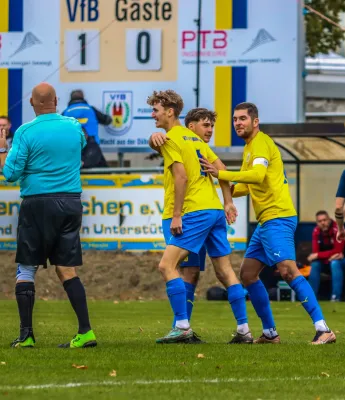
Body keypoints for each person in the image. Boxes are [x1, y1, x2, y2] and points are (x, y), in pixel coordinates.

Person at [200, 102, 336, 345]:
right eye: (235, 119)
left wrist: (221, 174)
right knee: (248, 274)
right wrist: (227, 191)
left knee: (288, 270)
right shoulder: (250, 148)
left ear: (255, 121)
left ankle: (323, 328)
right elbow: (247, 184)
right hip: (266, 222)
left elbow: (257, 175)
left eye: (243, 118)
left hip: (278, 217)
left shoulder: (261, 143)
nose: (238, 123)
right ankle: (270, 333)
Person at [147, 91, 252, 344]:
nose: (153, 115)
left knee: (166, 266)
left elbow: (181, 178)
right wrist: (227, 202)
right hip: (214, 210)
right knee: (223, 270)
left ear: (170, 112)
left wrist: (176, 215)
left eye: (156, 110)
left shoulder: (173, 138)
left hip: (193, 211)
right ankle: (244, 330)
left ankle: (182, 326)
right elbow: (224, 171)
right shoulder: (195, 140)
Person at [3, 82, 97, 349]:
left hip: (38, 203)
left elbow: (11, 174)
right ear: (56, 100)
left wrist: (2, 150)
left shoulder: (25, 131)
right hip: (70, 203)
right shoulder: (73, 126)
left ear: (32, 103)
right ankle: (85, 332)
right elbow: (78, 147)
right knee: (67, 269)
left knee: (26, 268)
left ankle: (27, 335)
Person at [308, 211, 345, 301]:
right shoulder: (316, 231)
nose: (323, 223)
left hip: (341, 261)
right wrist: (328, 256)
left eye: (324, 220)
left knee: (335, 263)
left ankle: (335, 297)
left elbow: (338, 251)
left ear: (329, 219)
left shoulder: (338, 229)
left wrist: (318, 255)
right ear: (317, 223)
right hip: (327, 261)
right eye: (320, 221)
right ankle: (311, 298)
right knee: (315, 264)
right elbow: (315, 252)